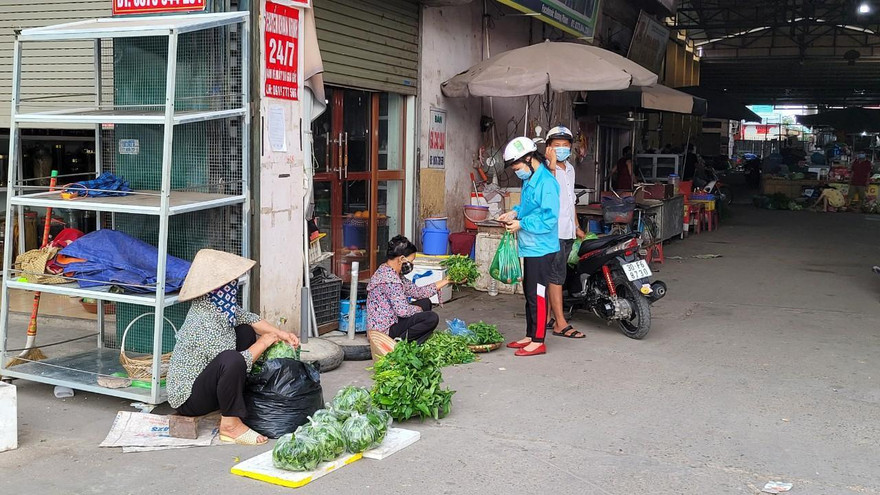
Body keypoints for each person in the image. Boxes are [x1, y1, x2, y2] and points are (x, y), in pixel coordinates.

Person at [168, 249, 300, 446]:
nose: (233, 287)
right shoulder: (204, 320)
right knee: (232, 359)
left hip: (207, 381)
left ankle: (234, 399)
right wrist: (263, 342)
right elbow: (236, 362)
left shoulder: (216, 305)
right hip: (189, 400)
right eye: (229, 284)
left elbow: (249, 318)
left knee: (245, 330)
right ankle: (230, 424)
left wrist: (280, 334)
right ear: (216, 288)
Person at [497, 137, 560, 357]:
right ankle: (530, 335)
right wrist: (514, 213)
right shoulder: (531, 179)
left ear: (529, 158)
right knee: (530, 293)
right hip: (531, 246)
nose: (516, 171)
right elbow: (527, 206)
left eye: (516, 166)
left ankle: (539, 340)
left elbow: (549, 219)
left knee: (538, 294)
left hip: (542, 248)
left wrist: (521, 223)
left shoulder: (547, 183)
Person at [366, 235, 450, 344]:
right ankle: (400, 343)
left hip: (392, 319)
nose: (412, 264)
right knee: (431, 318)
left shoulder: (388, 270)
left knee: (425, 303)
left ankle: (410, 338)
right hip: (383, 331)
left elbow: (418, 292)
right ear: (401, 259)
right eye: (411, 260)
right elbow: (403, 311)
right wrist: (418, 309)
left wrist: (447, 280)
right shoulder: (390, 280)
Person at [544, 126, 586, 339]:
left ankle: (548, 318)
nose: (561, 149)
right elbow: (548, 193)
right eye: (556, 145)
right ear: (548, 148)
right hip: (552, 230)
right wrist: (551, 165)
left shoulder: (569, 168)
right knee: (555, 276)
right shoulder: (543, 169)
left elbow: (570, 201)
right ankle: (560, 323)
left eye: (565, 145)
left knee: (557, 274)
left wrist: (577, 226)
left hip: (567, 229)